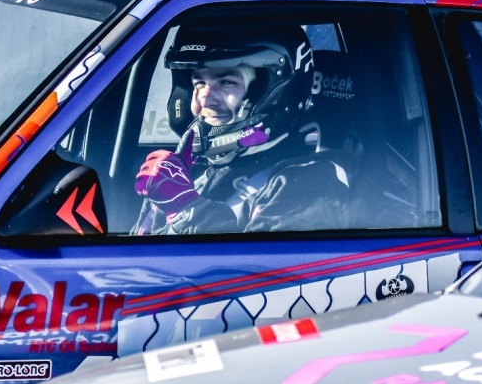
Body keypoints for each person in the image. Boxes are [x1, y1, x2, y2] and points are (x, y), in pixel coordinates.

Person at [133, 24, 352, 234]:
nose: (205, 99)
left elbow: (261, 260)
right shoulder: (192, 172)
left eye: (226, 82)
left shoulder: (308, 183)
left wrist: (186, 208)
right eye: (199, 83)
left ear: (271, 93)